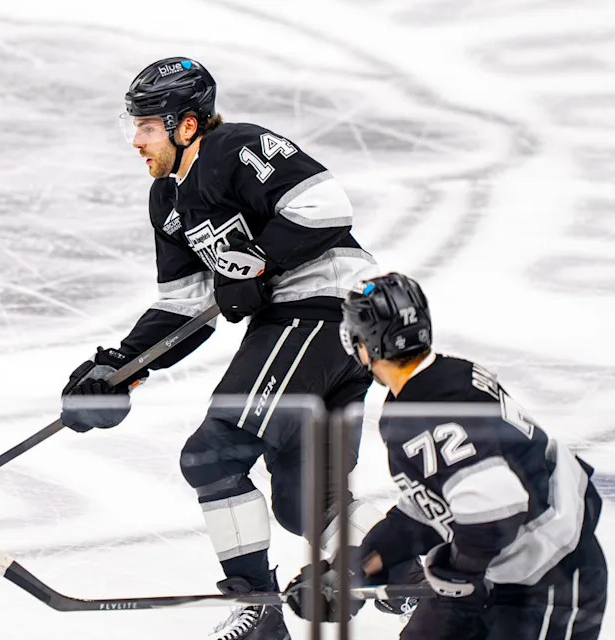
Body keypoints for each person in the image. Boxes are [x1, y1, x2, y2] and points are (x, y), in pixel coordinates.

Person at [60, 57, 382, 640]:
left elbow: (325, 208)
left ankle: (257, 608)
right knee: (305, 499)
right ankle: (408, 566)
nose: (135, 140)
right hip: (314, 327)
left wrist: (259, 266)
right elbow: (184, 308)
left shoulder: (234, 147)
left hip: (320, 310)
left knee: (212, 454)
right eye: (133, 126)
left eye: (148, 126)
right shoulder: (168, 200)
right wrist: (119, 367)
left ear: (187, 125)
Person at [298, 272, 607, 639]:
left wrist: (457, 576)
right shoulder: (448, 377)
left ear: (365, 346)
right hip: (504, 568)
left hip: (548, 579)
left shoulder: (421, 413)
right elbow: (432, 507)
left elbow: (497, 509)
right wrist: (358, 567)